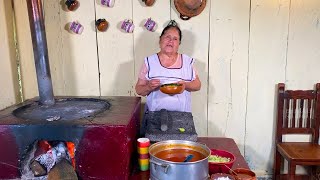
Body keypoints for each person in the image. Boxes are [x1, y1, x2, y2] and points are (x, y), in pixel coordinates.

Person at [135, 20, 201, 113]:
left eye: (175, 39)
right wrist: (148, 87)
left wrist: (185, 85)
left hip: (182, 116)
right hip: (154, 116)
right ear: (160, 39)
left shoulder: (187, 61)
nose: (171, 41)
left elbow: (197, 85)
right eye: (167, 37)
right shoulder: (149, 62)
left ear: (179, 43)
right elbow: (139, 89)